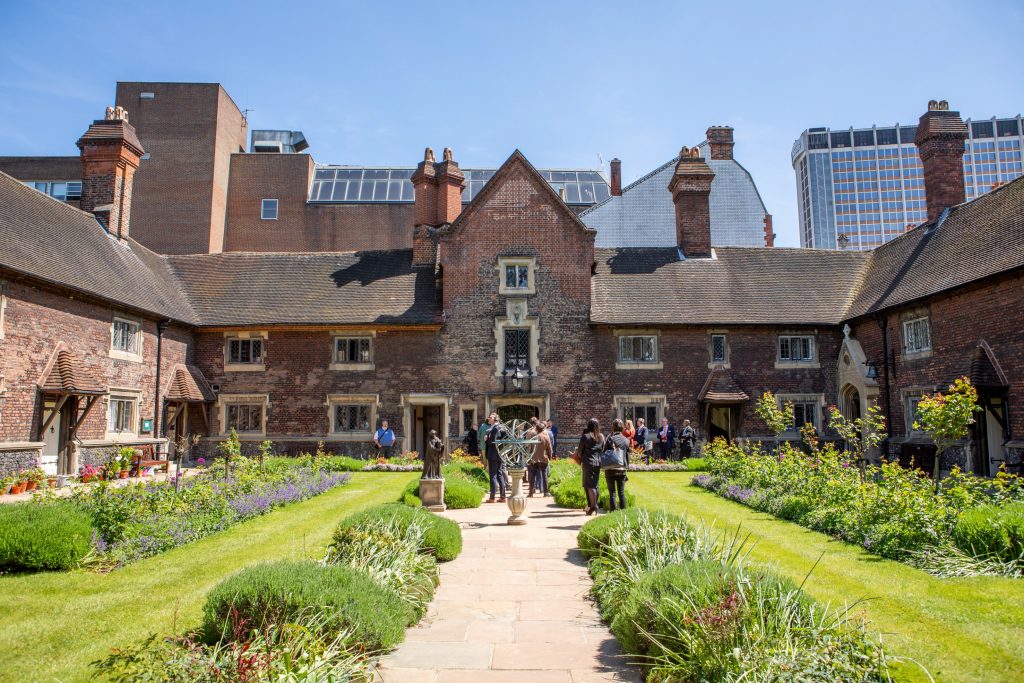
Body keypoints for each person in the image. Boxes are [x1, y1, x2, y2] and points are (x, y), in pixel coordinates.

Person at [577, 418, 604, 515]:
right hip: (598, 462)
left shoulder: (585, 437)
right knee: (595, 485)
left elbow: (579, 451)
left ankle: (593, 506)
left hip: (588, 463)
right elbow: (602, 449)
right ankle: (594, 505)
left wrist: (582, 456)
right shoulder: (601, 437)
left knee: (589, 485)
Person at [602, 419, 630, 511]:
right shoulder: (626, 440)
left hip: (610, 468)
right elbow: (627, 455)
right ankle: (623, 512)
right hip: (621, 469)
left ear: (613, 427)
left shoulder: (610, 438)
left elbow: (604, 451)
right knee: (621, 492)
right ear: (622, 428)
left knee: (612, 493)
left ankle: (613, 512)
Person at [484, 413, 507, 502]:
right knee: (500, 474)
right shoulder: (502, 428)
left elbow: (492, 442)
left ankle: (492, 497)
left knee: (493, 475)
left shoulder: (495, 429)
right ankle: (502, 496)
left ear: (495, 419)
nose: (488, 419)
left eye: (490, 418)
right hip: (500, 454)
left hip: (493, 454)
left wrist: (486, 439)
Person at [528, 417, 552, 497]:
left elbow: (530, 448)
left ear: (537, 429)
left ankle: (531, 493)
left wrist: (529, 457)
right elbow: (549, 449)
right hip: (543, 458)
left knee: (532, 476)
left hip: (534, 459)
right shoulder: (546, 437)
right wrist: (550, 457)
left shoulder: (533, 437)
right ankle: (546, 492)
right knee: (544, 475)